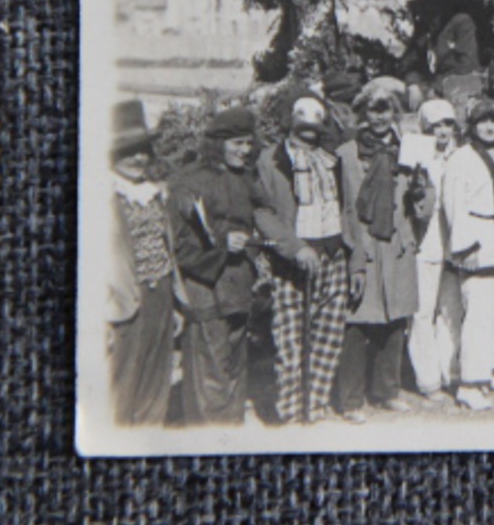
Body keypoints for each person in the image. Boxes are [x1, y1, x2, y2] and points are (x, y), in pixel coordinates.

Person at [255, 95, 353, 425]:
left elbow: (346, 209)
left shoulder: (332, 159)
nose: (309, 131)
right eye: (302, 124)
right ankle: (292, 409)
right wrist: (295, 247)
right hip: (292, 259)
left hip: (332, 255)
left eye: (316, 125)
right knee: (290, 338)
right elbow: (263, 210)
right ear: (290, 123)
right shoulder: (271, 160)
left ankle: (316, 406)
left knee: (327, 336)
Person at [166, 106, 262, 425]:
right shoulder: (189, 181)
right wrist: (223, 244)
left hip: (237, 285)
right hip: (205, 285)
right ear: (216, 144)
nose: (245, 150)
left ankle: (229, 429)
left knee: (235, 361)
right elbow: (179, 244)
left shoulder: (245, 177)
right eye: (237, 143)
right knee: (208, 368)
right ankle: (207, 435)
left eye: (248, 143)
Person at [333, 78, 421, 423]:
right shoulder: (346, 153)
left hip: (397, 244)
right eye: (373, 108)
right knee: (356, 323)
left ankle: (386, 391)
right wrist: (350, 245)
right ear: (363, 112)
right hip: (363, 244)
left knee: (394, 320)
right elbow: (340, 205)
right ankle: (351, 400)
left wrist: (420, 191)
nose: (380, 116)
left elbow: (421, 208)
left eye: (386, 108)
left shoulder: (409, 150)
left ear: (395, 112)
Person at [443, 99, 494, 410]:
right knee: (476, 314)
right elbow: (453, 205)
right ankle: (469, 383)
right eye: (483, 121)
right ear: (472, 126)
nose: (490, 127)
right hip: (475, 240)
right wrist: (465, 247)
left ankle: (492, 371)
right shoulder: (461, 158)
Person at [108, 99, 180, 426]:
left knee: (156, 378)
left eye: (143, 149)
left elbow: (168, 249)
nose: (139, 157)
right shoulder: (104, 195)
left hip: (161, 294)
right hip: (125, 303)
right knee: (122, 385)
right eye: (129, 150)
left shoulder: (152, 192)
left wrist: (176, 302)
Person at [406, 99, 463, 405]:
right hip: (426, 242)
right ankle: (428, 379)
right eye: (435, 126)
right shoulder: (418, 157)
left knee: (450, 308)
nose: (441, 132)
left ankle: (450, 371)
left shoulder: (460, 156)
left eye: (447, 125)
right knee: (422, 310)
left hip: (454, 242)